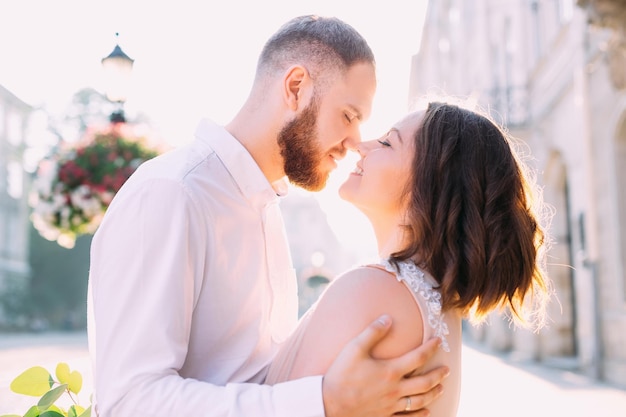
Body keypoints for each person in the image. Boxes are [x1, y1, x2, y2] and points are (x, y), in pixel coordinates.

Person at [87, 15, 448, 417]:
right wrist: (324, 401)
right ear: (296, 88)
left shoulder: (265, 210)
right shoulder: (173, 193)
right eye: (348, 115)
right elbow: (129, 402)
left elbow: (261, 376)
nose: (355, 143)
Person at [265, 101, 552, 417]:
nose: (361, 146)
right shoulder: (437, 302)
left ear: (427, 184)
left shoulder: (371, 289)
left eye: (388, 142)